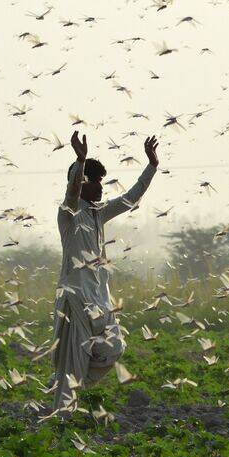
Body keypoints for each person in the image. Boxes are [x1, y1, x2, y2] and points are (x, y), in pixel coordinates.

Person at [44, 131, 159, 418]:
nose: (100, 188)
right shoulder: (69, 214)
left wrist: (152, 166)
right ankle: (62, 418)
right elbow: (71, 193)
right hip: (76, 300)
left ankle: (64, 386)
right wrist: (80, 161)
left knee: (114, 348)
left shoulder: (99, 213)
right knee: (73, 361)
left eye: (100, 182)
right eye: (95, 182)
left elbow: (131, 198)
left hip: (99, 300)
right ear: (83, 183)